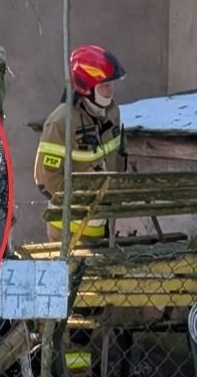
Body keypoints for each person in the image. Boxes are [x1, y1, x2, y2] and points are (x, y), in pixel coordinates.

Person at [34, 44, 127, 242]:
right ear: (87, 86)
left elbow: (119, 158)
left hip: (102, 224)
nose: (111, 90)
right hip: (68, 229)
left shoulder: (112, 113)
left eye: (112, 84)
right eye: (104, 85)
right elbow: (46, 178)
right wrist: (84, 202)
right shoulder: (61, 122)